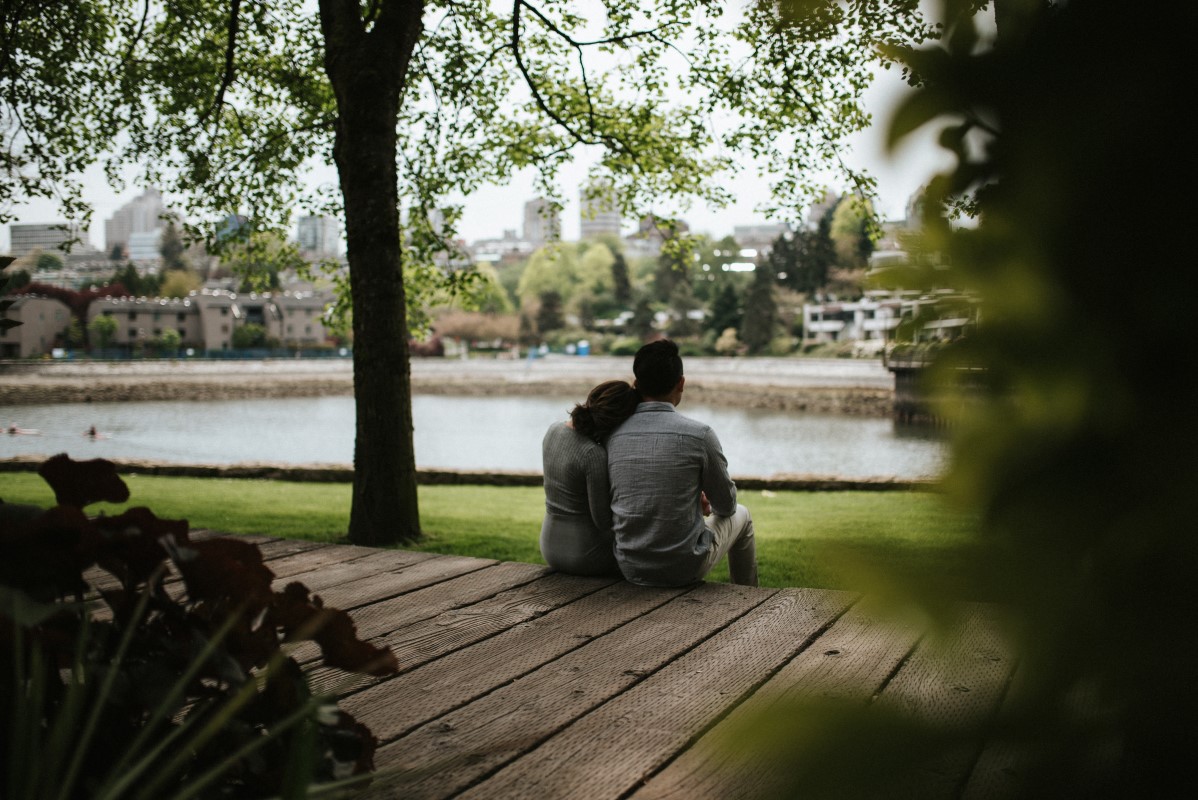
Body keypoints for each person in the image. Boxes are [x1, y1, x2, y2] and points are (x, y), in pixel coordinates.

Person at [606, 338, 758, 587]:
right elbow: (726, 506)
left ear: (636, 384)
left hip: (629, 565)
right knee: (742, 514)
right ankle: (747, 597)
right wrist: (697, 503)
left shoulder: (614, 433)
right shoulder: (699, 435)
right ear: (681, 383)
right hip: (683, 568)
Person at [539, 380, 640, 576]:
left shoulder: (553, 430)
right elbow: (602, 521)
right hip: (585, 555)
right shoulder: (592, 454)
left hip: (549, 547)